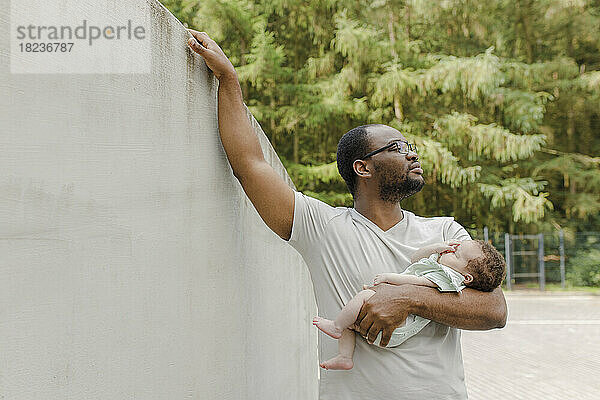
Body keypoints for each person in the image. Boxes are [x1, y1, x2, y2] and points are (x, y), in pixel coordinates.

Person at [186, 30, 507, 400]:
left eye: (411, 147)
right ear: (363, 168)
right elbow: (250, 165)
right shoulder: (321, 227)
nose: (412, 154)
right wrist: (229, 79)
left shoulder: (445, 233)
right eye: (398, 147)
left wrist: (406, 299)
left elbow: (494, 309)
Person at [313, 239, 506, 370]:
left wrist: (389, 278)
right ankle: (345, 357)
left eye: (456, 255)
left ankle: (336, 326)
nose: (450, 251)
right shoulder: (442, 266)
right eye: (454, 248)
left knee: (363, 297)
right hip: (393, 325)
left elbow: (417, 283)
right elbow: (416, 258)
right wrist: (436, 248)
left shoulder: (448, 279)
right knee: (352, 323)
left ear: (466, 277)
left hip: (398, 327)